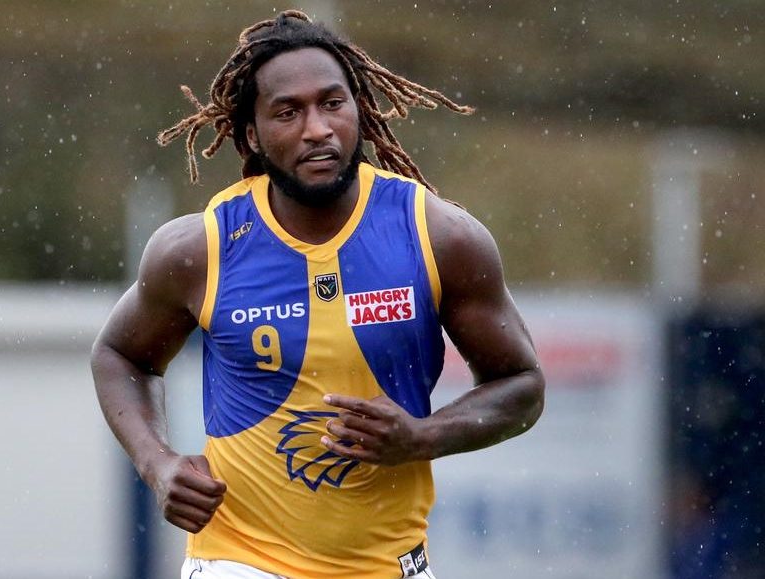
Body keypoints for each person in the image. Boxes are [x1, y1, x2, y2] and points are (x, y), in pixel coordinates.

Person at [91, 10, 544, 579]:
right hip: (239, 561)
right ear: (252, 135)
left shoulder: (440, 237)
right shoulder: (199, 249)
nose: (318, 129)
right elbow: (120, 356)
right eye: (288, 112)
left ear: (359, 109)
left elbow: (521, 385)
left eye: (333, 103)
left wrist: (422, 436)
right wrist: (156, 463)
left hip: (390, 565)